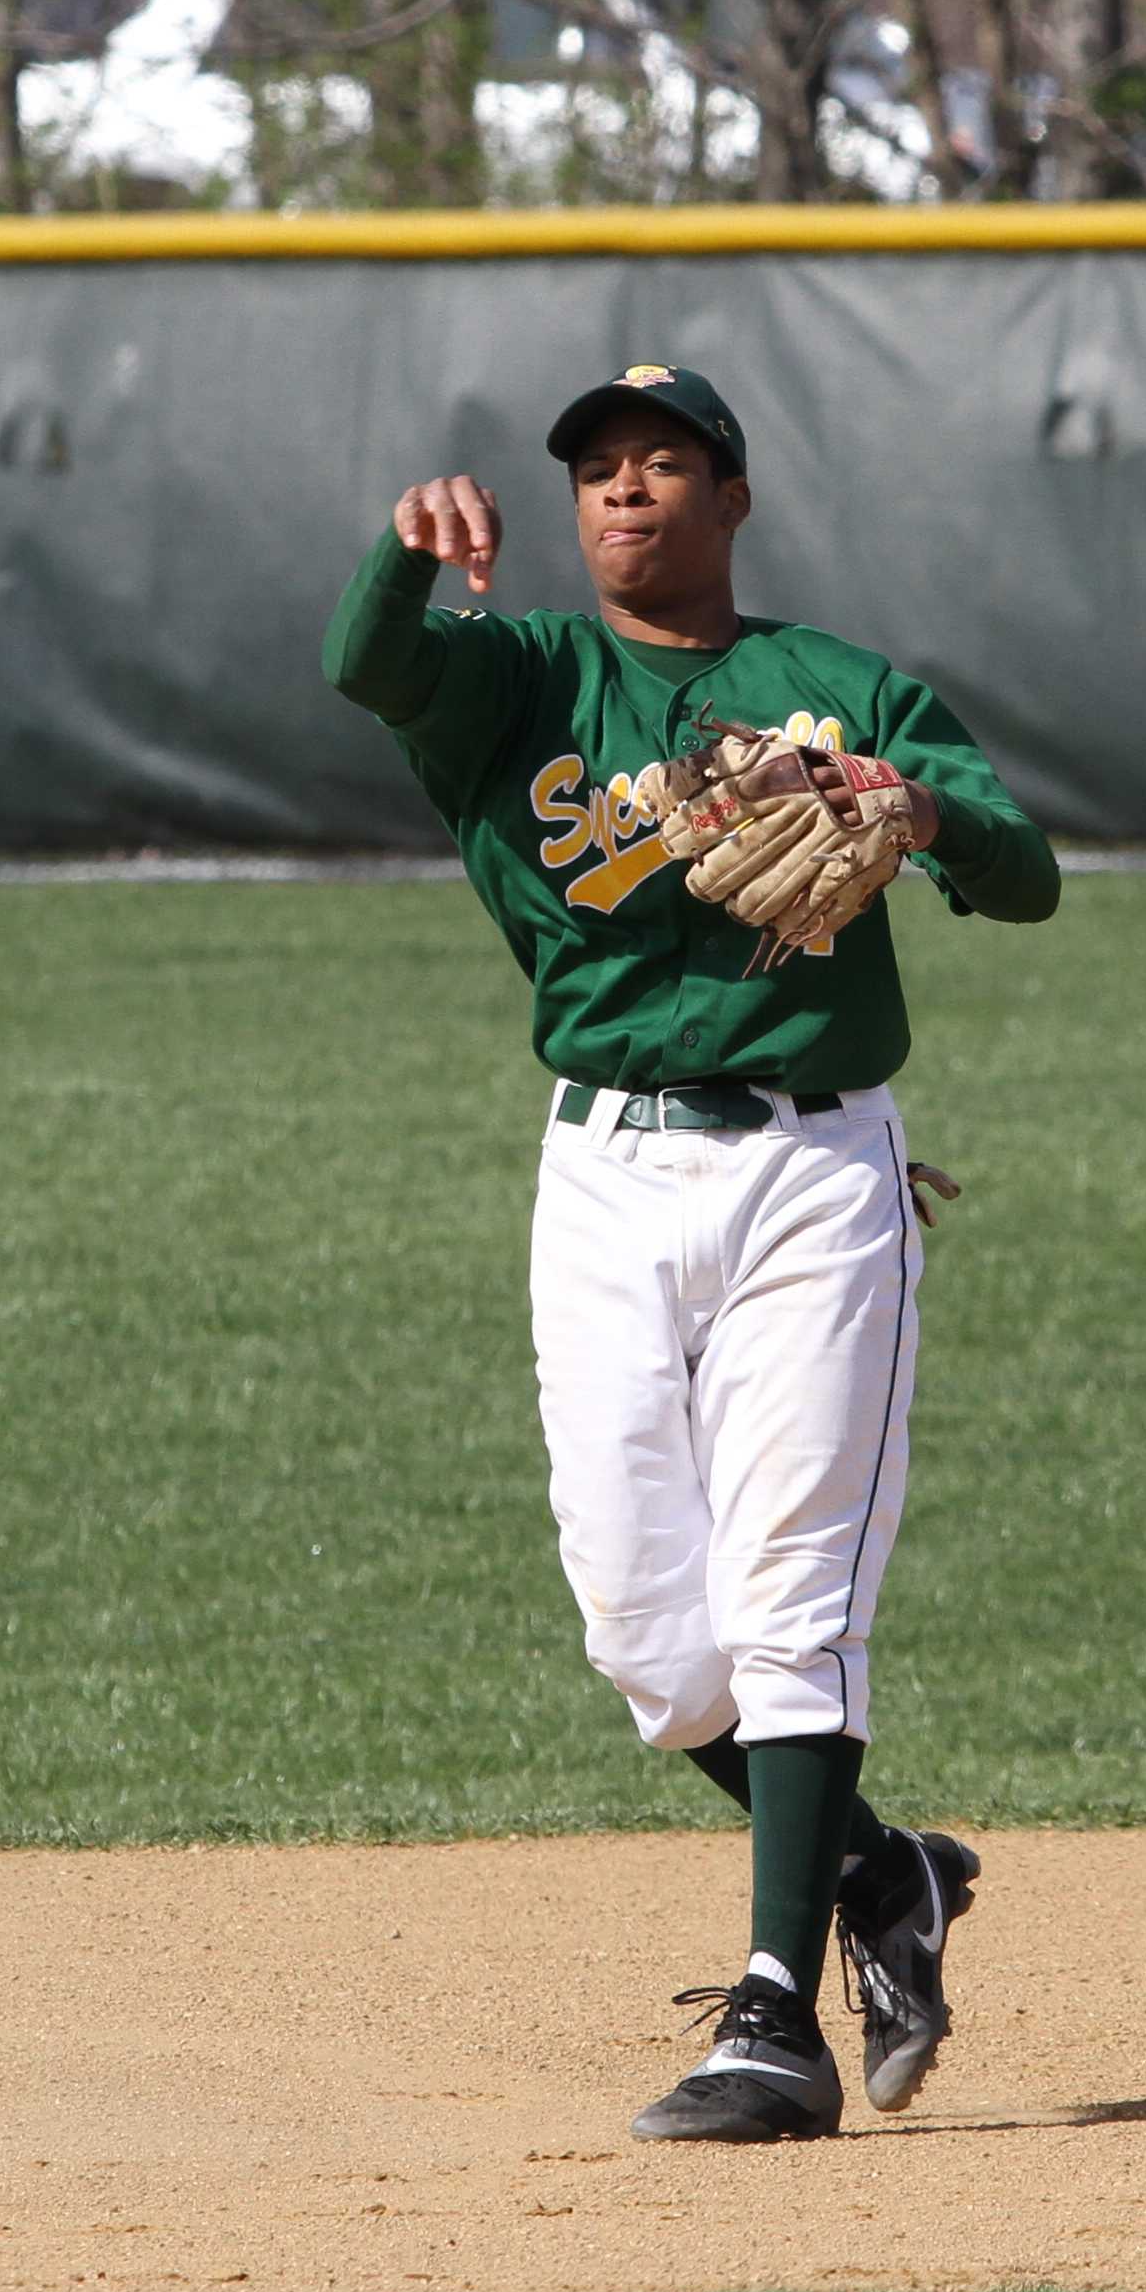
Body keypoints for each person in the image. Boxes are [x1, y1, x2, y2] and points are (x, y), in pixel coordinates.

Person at [325, 362, 1061, 2143]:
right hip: (600, 1173)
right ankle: (883, 1875)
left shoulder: (841, 686)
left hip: (813, 1173)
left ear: (731, 499)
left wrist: (917, 805)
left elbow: (1025, 870)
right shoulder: (522, 684)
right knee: (653, 1645)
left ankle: (769, 2021)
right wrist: (402, 548)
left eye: (664, 463)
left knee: (791, 1601)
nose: (624, 492)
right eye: (596, 470)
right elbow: (371, 662)